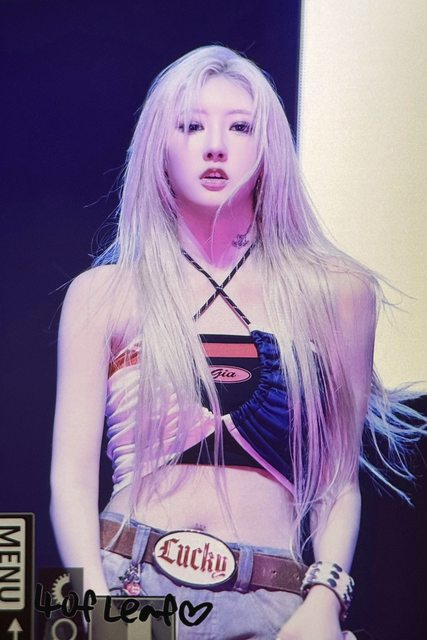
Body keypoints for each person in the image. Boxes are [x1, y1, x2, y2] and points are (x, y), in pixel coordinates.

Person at [50, 45, 424, 640]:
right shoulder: (104, 294)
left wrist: (326, 599)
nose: (216, 145)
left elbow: (337, 483)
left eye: (240, 127)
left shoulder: (337, 294)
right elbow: (70, 481)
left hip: (273, 599)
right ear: (159, 145)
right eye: (191, 125)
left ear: (269, 144)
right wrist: (95, 607)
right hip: (129, 584)